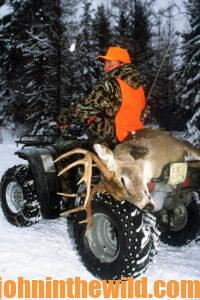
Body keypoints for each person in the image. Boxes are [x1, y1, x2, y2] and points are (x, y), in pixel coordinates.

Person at [59, 46, 146, 147]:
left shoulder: (109, 84)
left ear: (122, 64)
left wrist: (62, 120)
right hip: (133, 139)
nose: (105, 68)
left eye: (110, 63)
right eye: (105, 63)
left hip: (109, 144)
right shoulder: (139, 88)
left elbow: (85, 109)